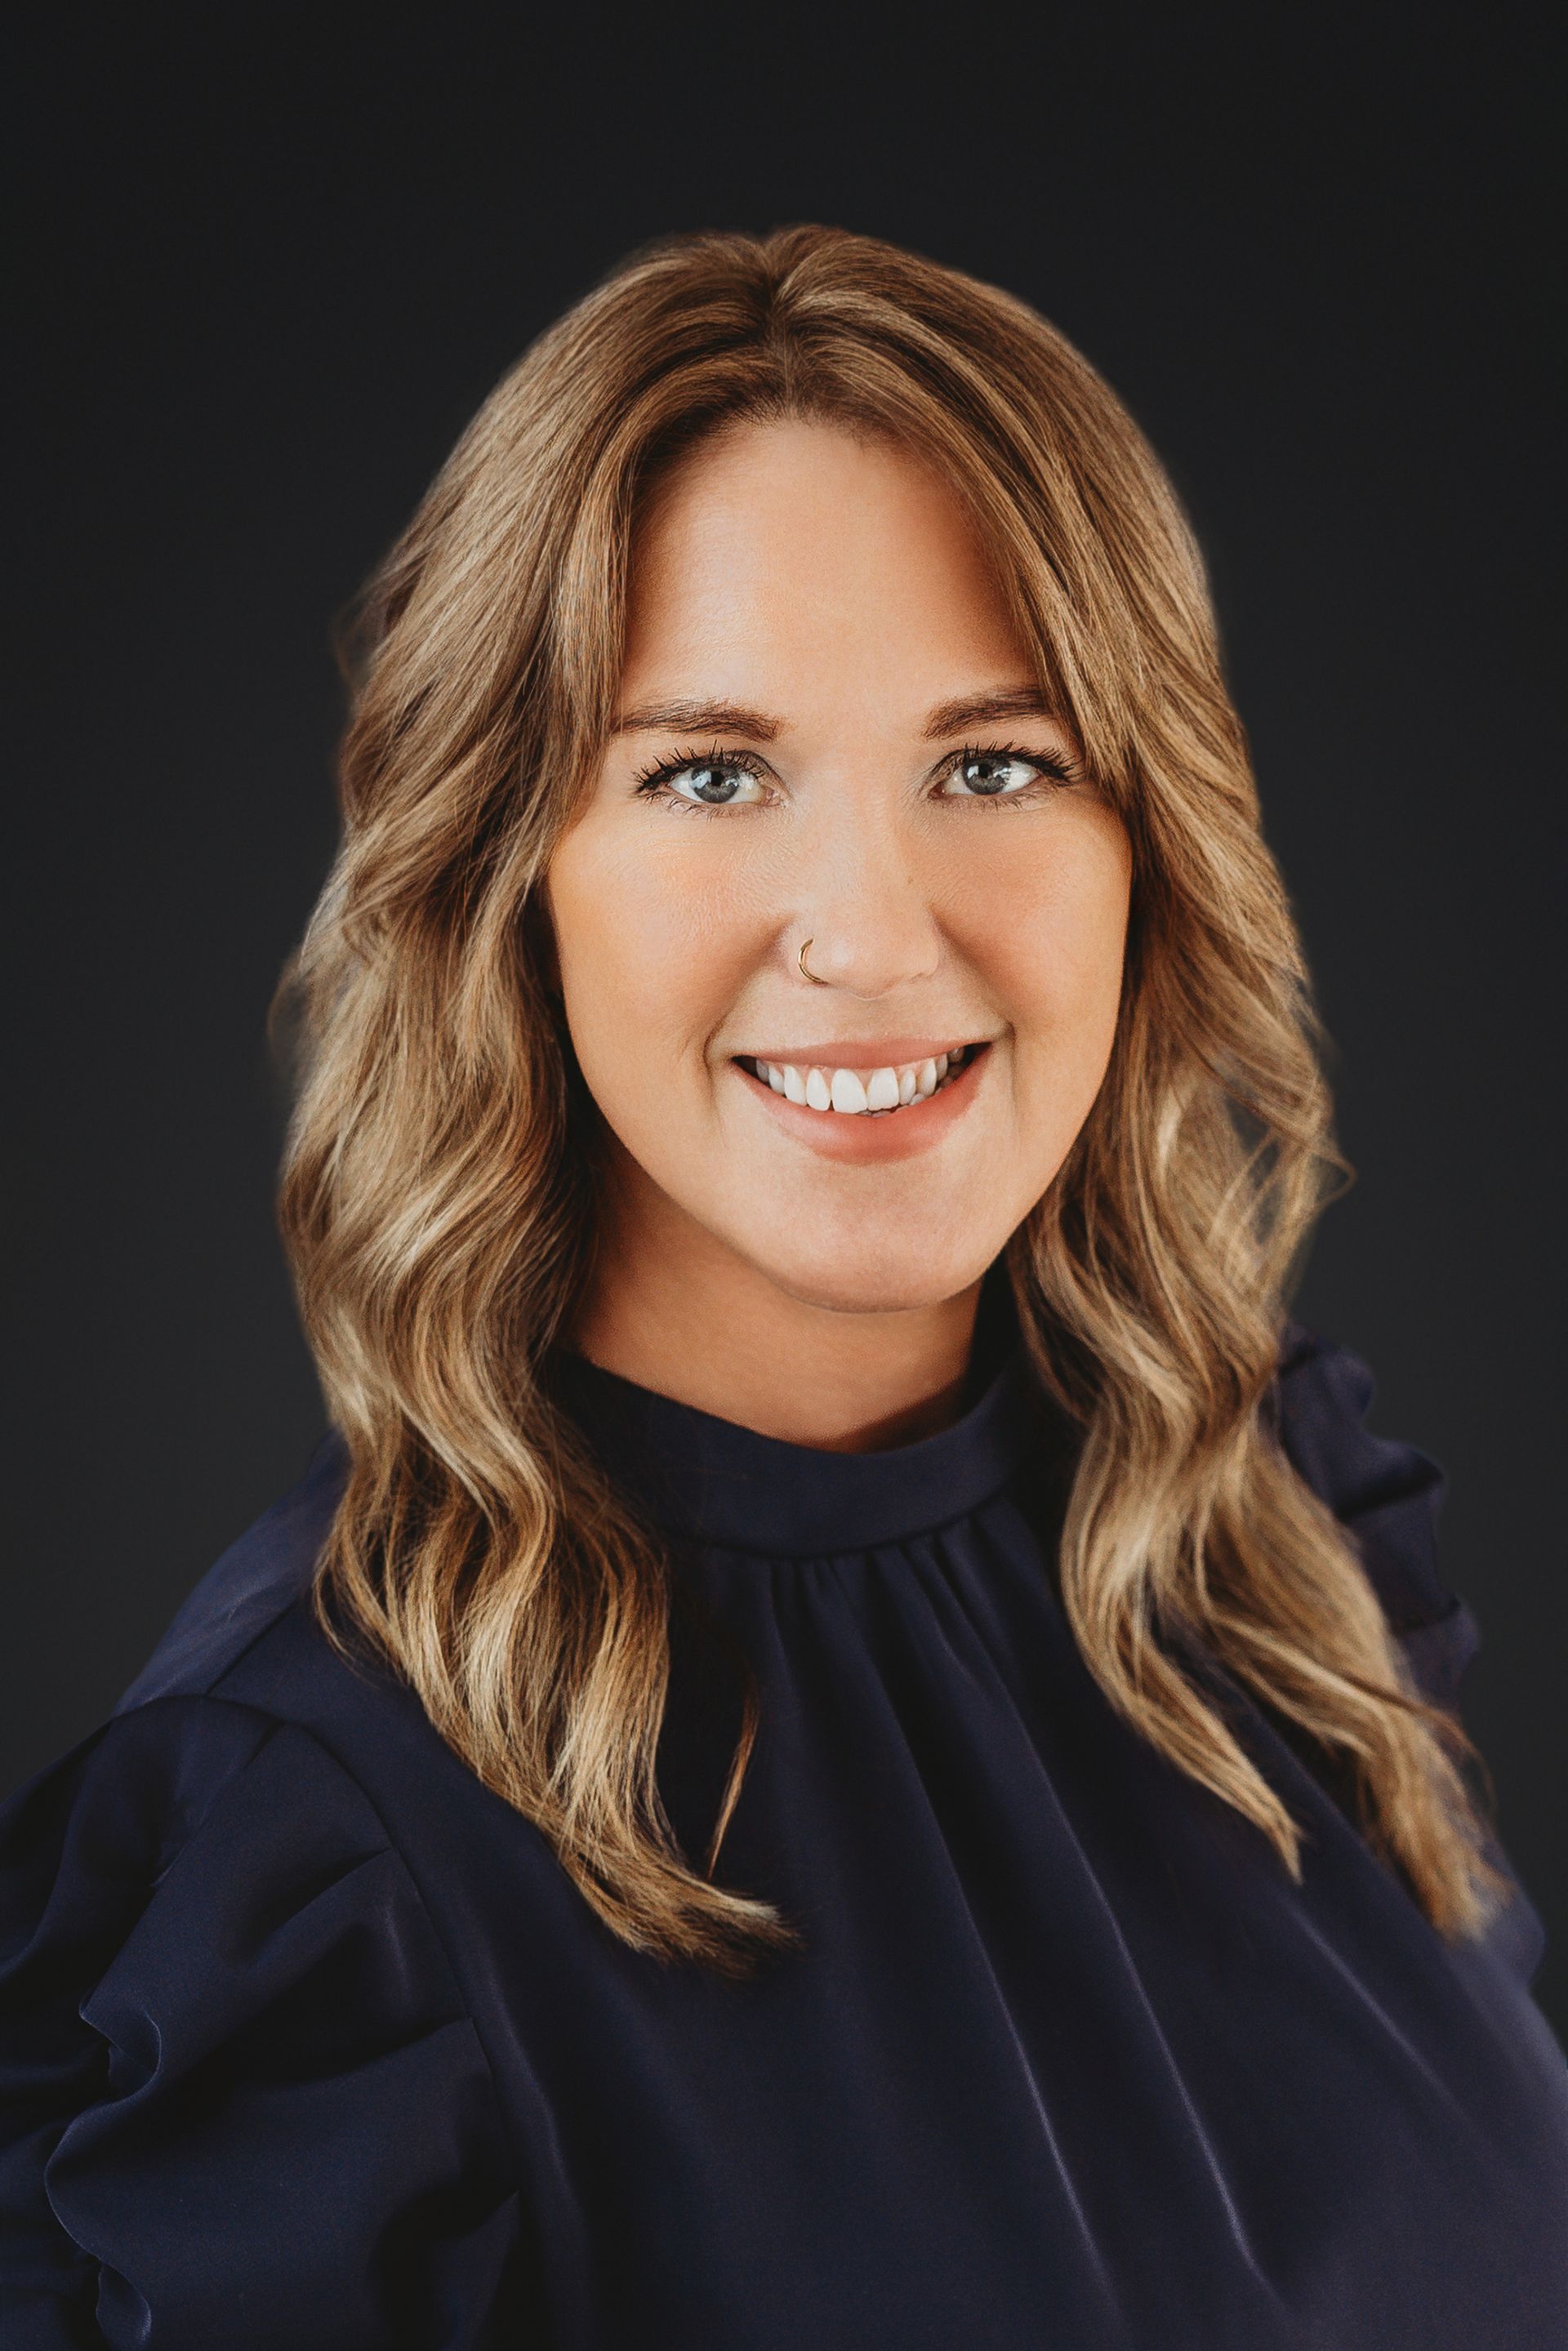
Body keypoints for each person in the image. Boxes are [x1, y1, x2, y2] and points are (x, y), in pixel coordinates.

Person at [2, 225, 1564, 2351]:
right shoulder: (316, 1859)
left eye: (994, 762)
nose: (872, 933)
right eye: (710, 776)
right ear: (507, 876)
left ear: (1147, 848)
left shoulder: (1273, 1528)